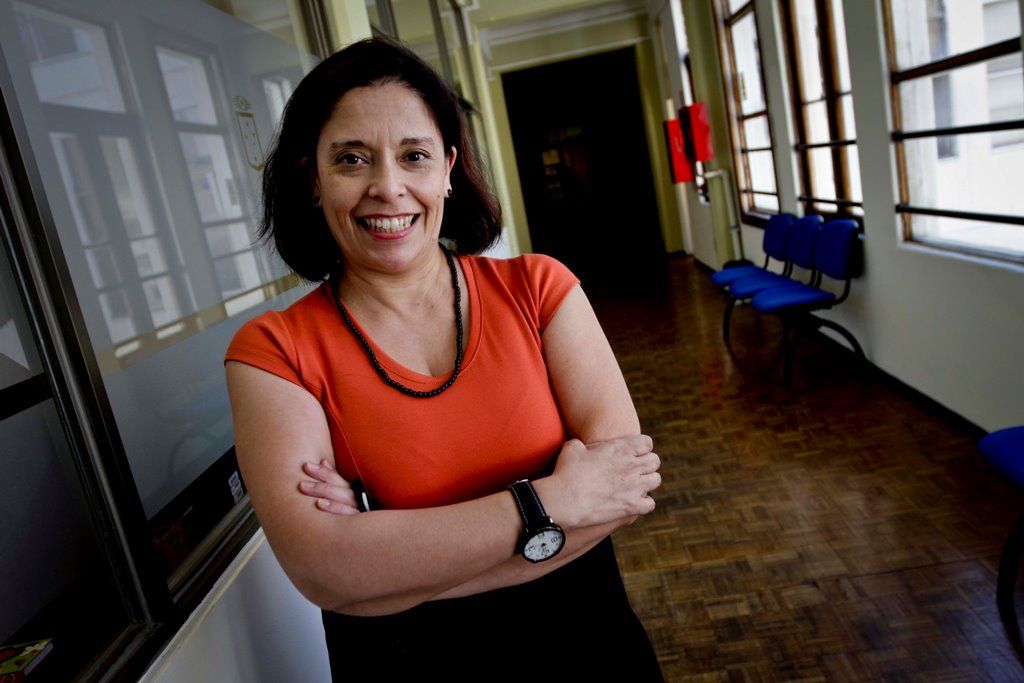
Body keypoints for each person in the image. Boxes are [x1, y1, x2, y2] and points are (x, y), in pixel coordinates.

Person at [224, 37, 663, 680]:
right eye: (351, 159)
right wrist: (554, 502)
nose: (388, 187)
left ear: (448, 169)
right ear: (313, 179)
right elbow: (324, 569)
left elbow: (623, 489)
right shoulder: (272, 352)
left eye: (414, 156)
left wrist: (383, 577)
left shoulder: (540, 289)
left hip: (590, 645)